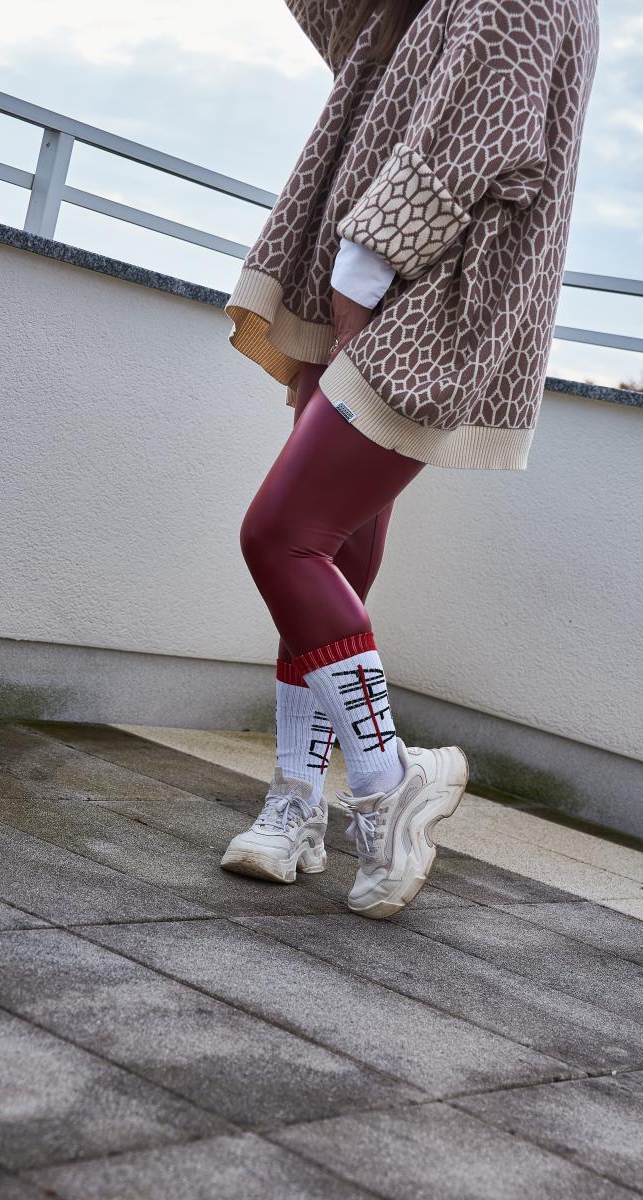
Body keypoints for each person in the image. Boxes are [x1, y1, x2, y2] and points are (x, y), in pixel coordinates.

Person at [220, 0, 599, 918]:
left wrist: (366, 270)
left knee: (282, 538)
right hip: (376, 279)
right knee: (331, 558)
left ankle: (388, 780)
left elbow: (481, 131)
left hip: (419, 296)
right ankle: (297, 801)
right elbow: (346, 27)